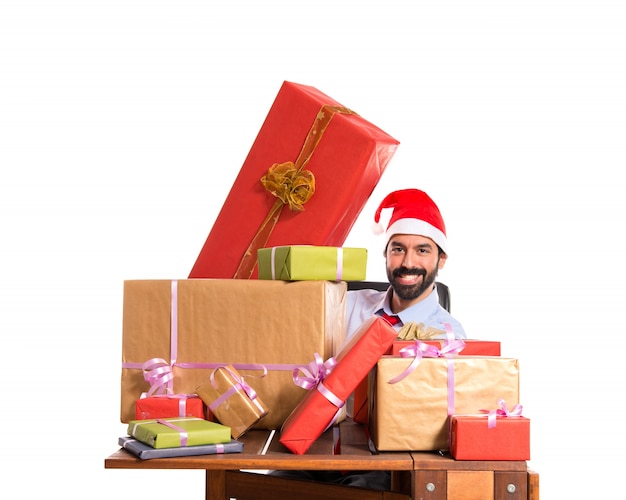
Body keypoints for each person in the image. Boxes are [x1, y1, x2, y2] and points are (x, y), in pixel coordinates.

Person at [270, 188, 466, 491]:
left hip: (386, 461)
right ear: (386, 255)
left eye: (423, 250)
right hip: (316, 446)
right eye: (398, 249)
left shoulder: (448, 336)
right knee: (269, 490)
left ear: (442, 260)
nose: (408, 262)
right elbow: (291, 328)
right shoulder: (345, 303)